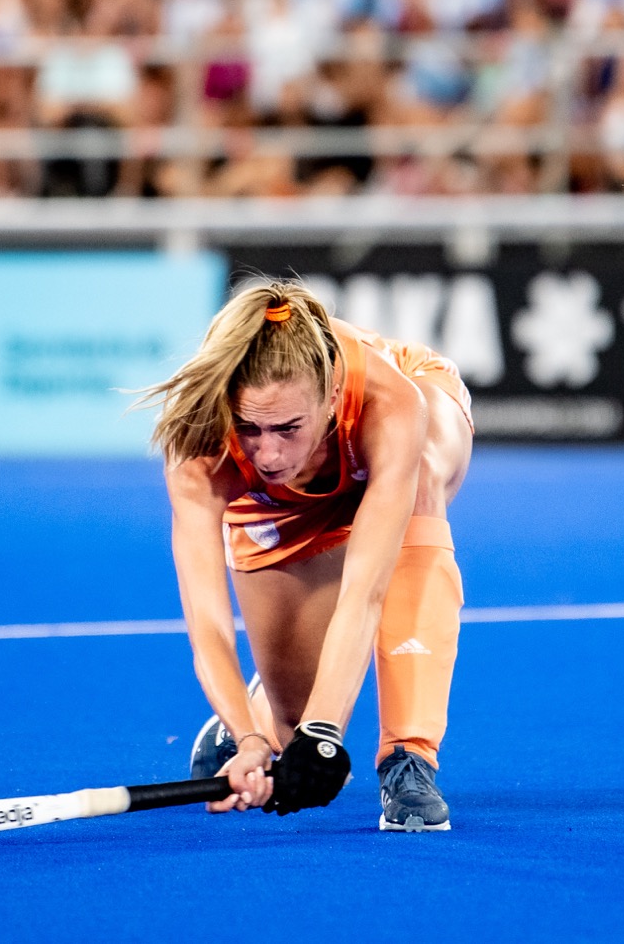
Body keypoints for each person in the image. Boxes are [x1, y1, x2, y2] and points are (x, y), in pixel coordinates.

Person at [140, 279, 473, 831]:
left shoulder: (388, 404)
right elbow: (210, 627)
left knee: (422, 486)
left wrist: (327, 733)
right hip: (279, 509)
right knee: (304, 746)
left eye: (288, 429)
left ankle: (409, 758)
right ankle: (261, 711)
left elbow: (365, 594)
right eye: (249, 428)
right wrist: (251, 737)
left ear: (332, 398)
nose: (267, 453)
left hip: (399, 439)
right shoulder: (200, 445)